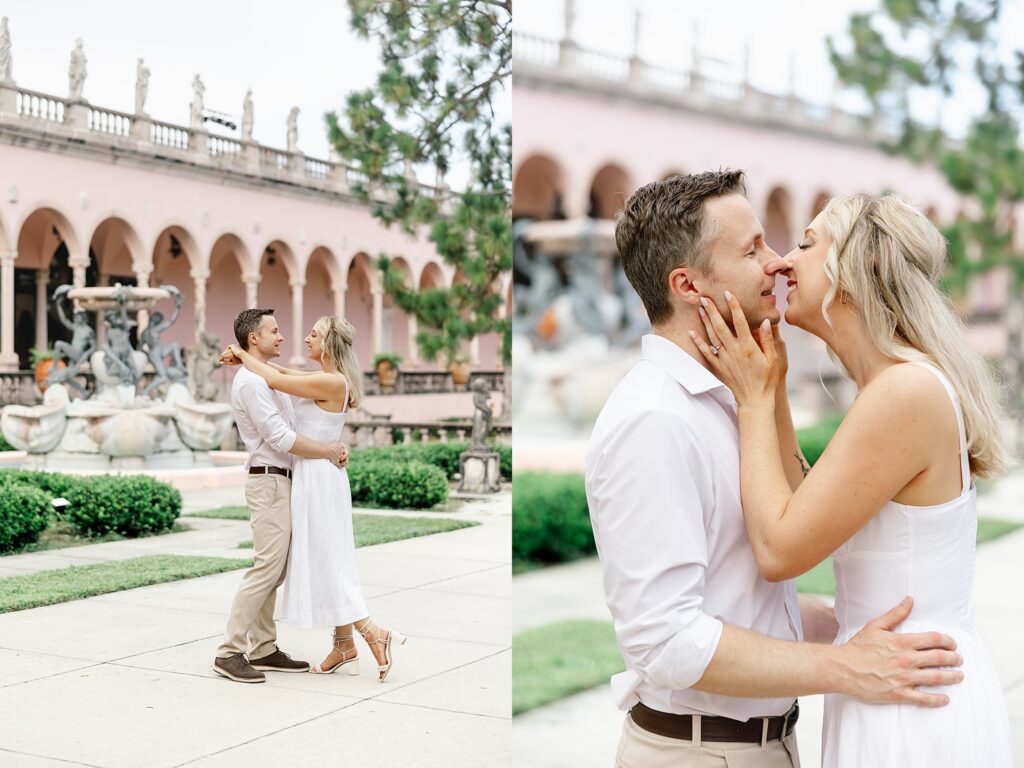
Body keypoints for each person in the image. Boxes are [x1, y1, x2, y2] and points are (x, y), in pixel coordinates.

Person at [585, 171, 965, 768]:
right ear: (687, 284)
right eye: (751, 249)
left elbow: (747, 593)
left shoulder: (736, 398)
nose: (776, 263)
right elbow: (664, 641)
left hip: (764, 744)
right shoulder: (655, 420)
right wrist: (845, 664)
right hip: (702, 753)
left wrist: (862, 614)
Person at [691, 193, 1013, 767]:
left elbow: (779, 547)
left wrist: (752, 402)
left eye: (808, 243)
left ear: (857, 268)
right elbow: (798, 505)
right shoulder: (894, 387)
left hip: (910, 704)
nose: (784, 261)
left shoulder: (902, 393)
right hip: (892, 682)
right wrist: (775, 388)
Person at [223, 315, 406, 682]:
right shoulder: (313, 377)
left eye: (313, 334)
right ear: (254, 336)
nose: (298, 337)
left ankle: (367, 633)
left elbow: (276, 378)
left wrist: (243, 355)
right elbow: (278, 376)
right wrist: (245, 356)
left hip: (317, 476)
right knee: (308, 562)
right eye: (276, 331)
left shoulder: (329, 380)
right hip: (304, 475)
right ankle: (342, 642)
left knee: (326, 560)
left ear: (328, 343)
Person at [212, 308, 350, 684]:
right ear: (253, 338)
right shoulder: (253, 383)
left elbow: (290, 396)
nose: (283, 337)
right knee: (266, 568)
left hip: (284, 480)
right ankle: (229, 651)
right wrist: (327, 450)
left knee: (276, 570)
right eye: (274, 331)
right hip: (269, 481)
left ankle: (263, 648)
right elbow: (279, 437)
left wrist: (330, 443)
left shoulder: (264, 377)